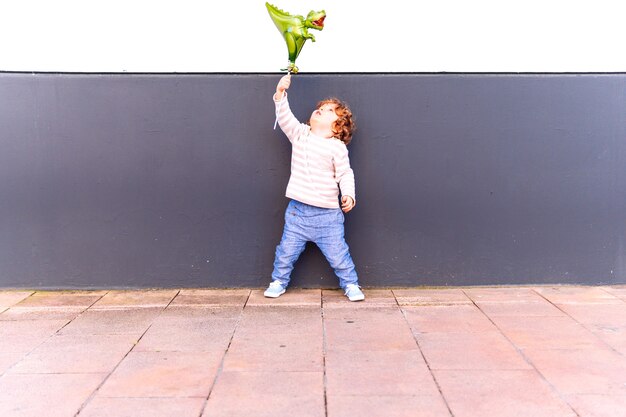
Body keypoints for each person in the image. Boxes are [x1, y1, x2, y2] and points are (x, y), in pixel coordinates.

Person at [264, 74, 365, 301]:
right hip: (298, 213)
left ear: (338, 127)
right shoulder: (300, 134)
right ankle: (278, 281)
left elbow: (345, 173)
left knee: (339, 255)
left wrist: (348, 193)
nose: (321, 110)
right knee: (286, 252)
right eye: (320, 108)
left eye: (329, 111)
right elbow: (285, 119)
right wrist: (280, 94)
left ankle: (351, 284)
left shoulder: (337, 148)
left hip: (328, 217)